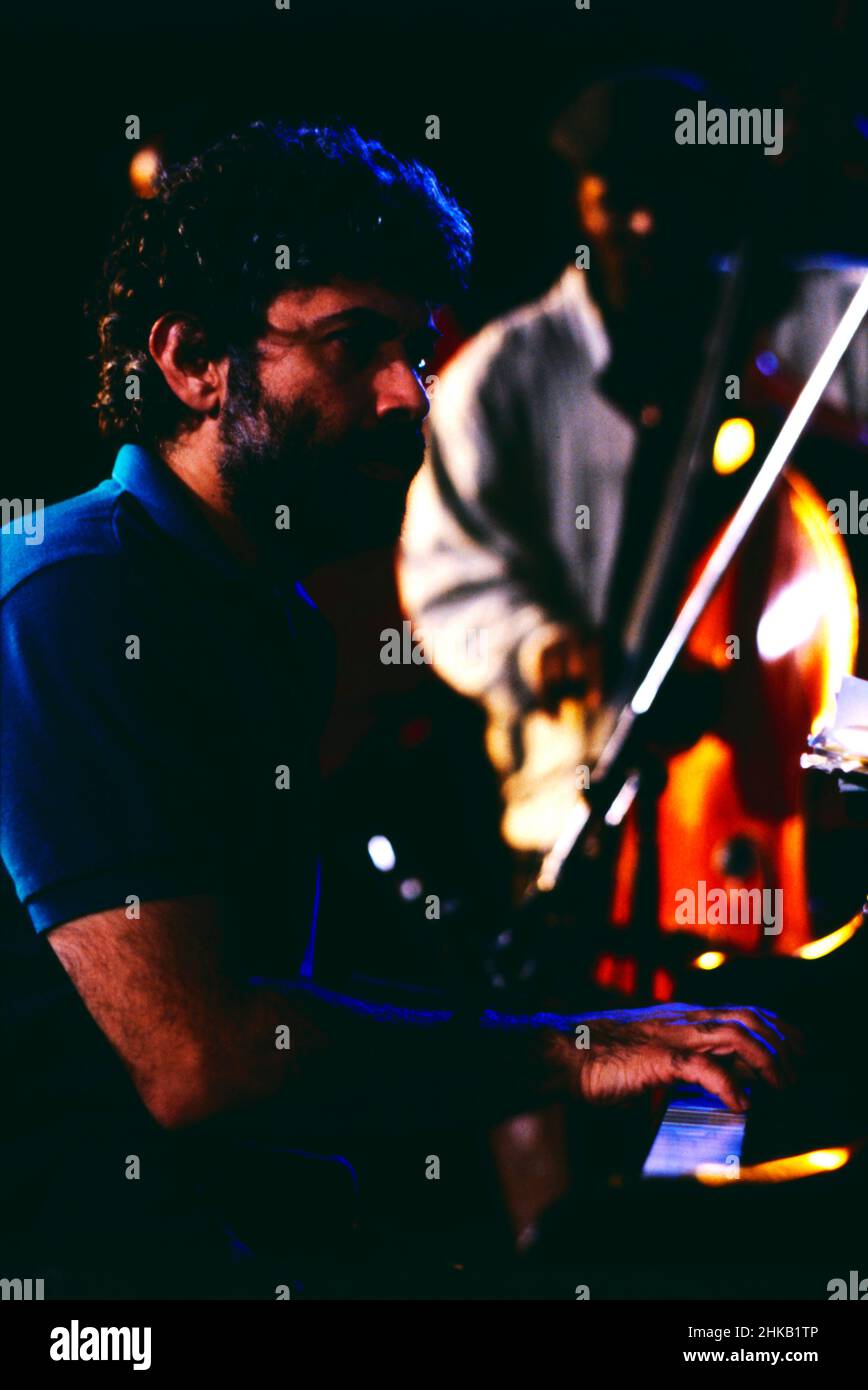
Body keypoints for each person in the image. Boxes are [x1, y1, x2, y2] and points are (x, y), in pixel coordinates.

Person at [0, 121, 798, 1298]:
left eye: (416, 349)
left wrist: (604, 1034)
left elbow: (269, 1024)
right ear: (191, 362)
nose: (408, 396)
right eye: (353, 343)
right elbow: (202, 1061)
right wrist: (572, 1052)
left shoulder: (268, 612)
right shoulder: (71, 600)